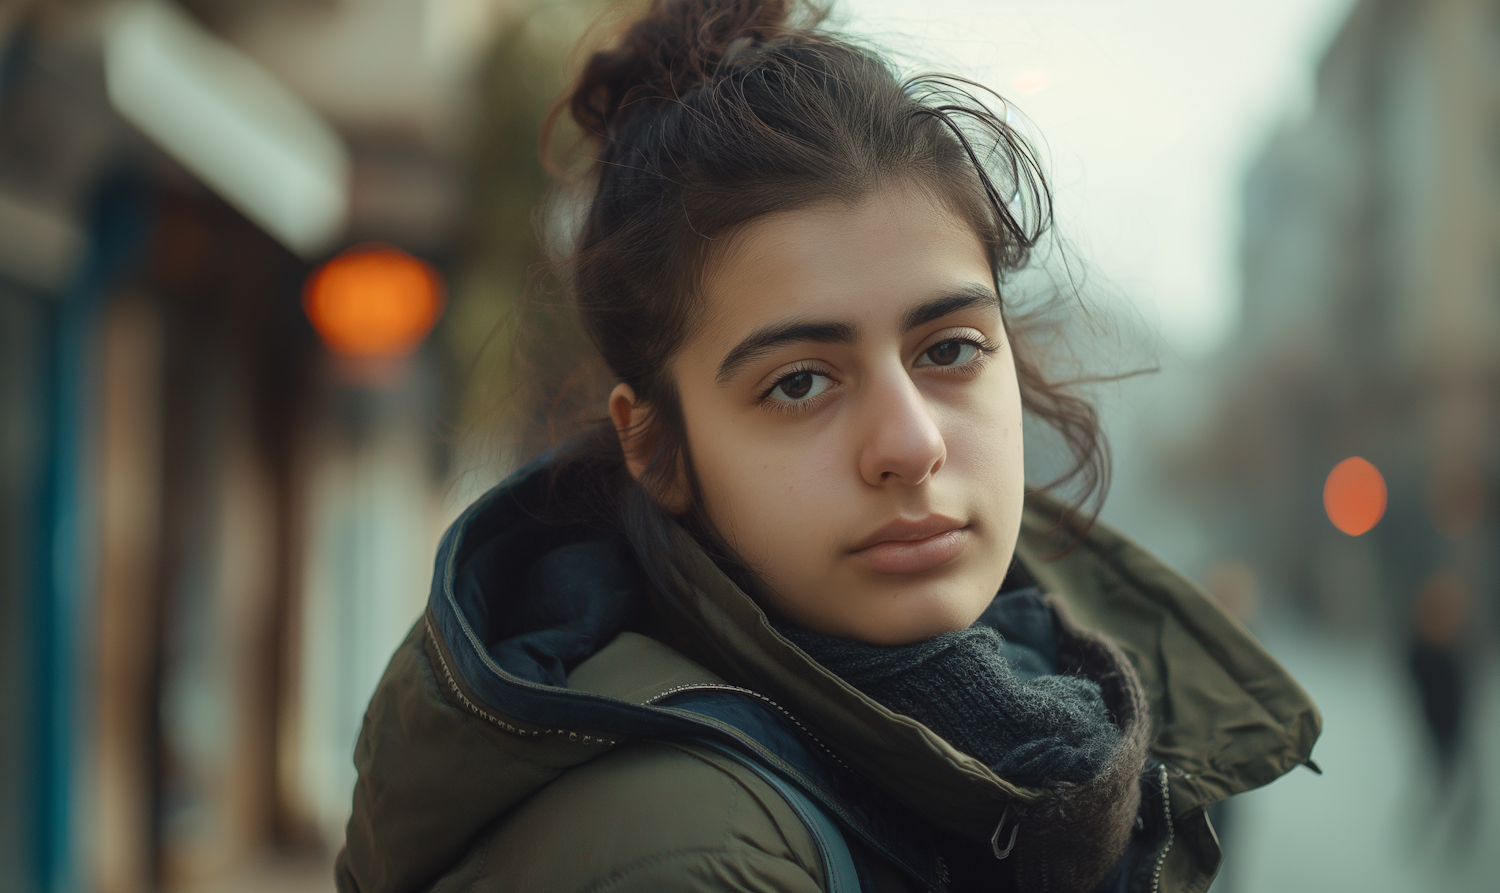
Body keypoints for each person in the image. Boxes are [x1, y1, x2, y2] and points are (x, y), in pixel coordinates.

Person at [335, 1, 1321, 891]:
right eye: (799, 381)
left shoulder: (1031, 730)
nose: (909, 443)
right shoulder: (693, 854)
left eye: (949, 348)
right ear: (656, 447)